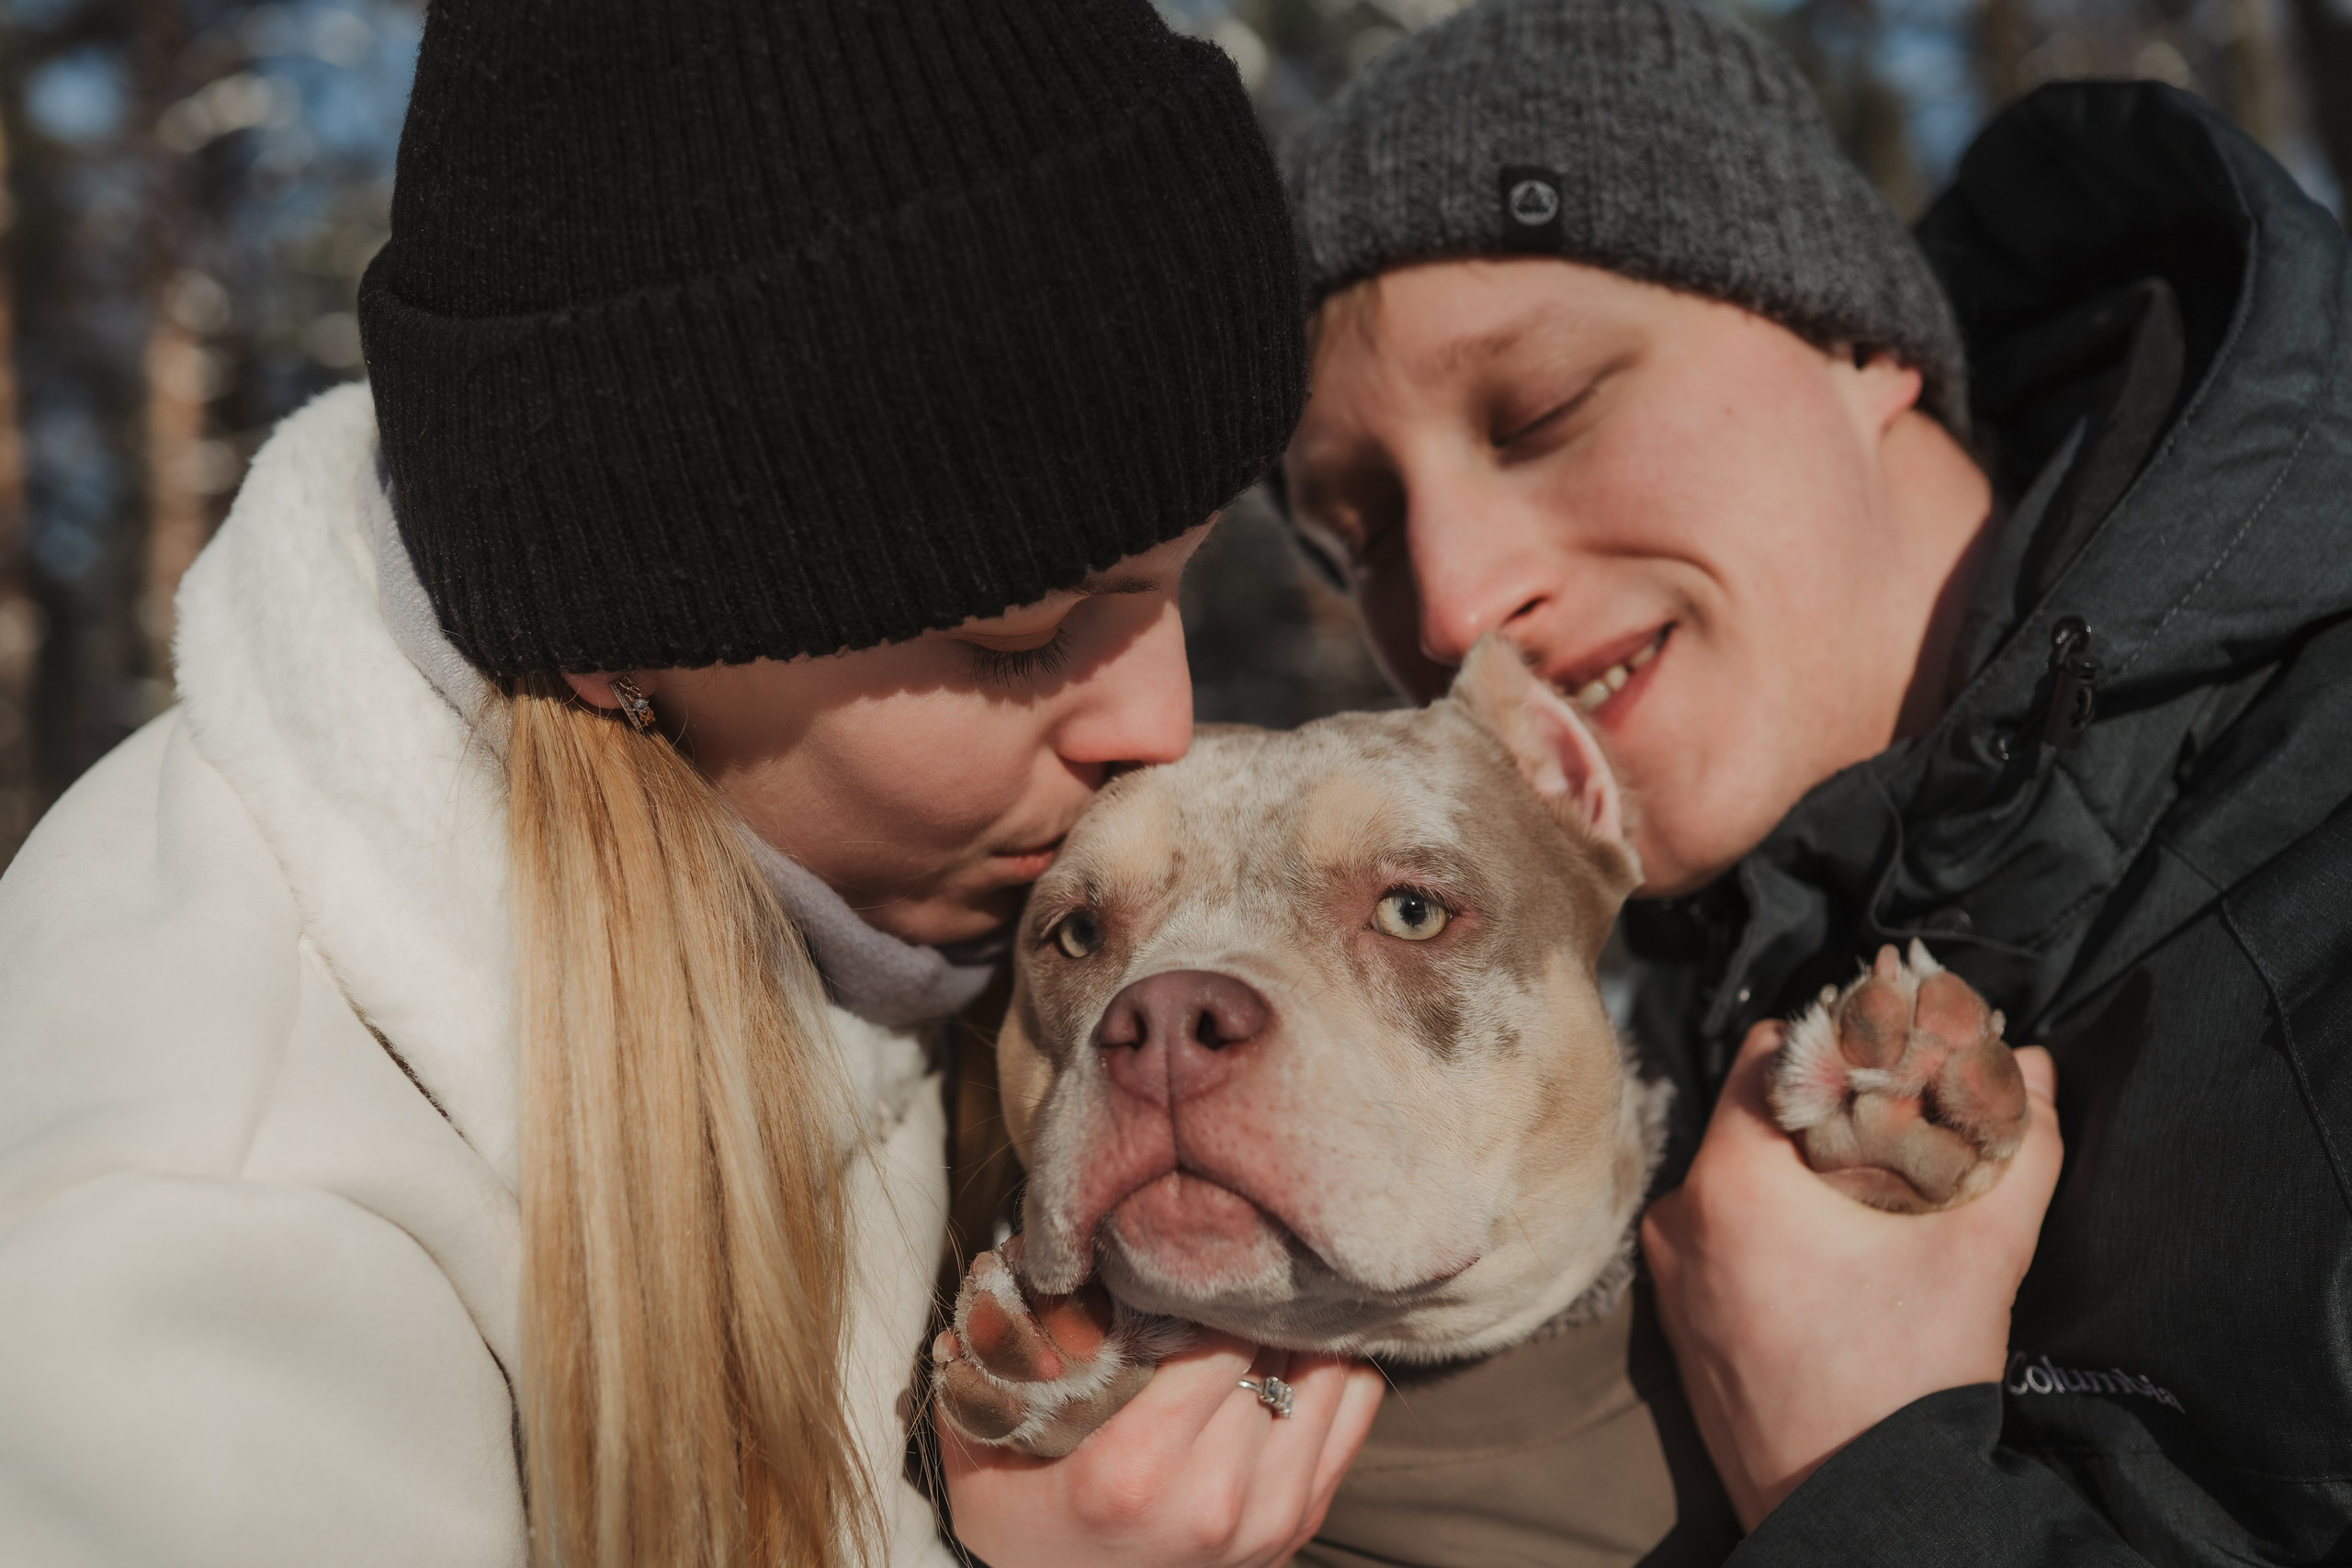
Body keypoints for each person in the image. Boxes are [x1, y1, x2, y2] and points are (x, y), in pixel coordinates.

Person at [0, 3, 1383, 1564]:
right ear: (617, 637)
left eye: (1179, 582)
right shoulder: (201, 1221)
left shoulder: (861, 890)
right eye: (1024, 633)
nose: (1161, 717)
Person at [1279, 0, 2352, 1562]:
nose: (1445, 608)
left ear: (1858, 339)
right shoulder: (1634, 1012)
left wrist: (1856, 1459)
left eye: (1548, 409)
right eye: (1357, 536)